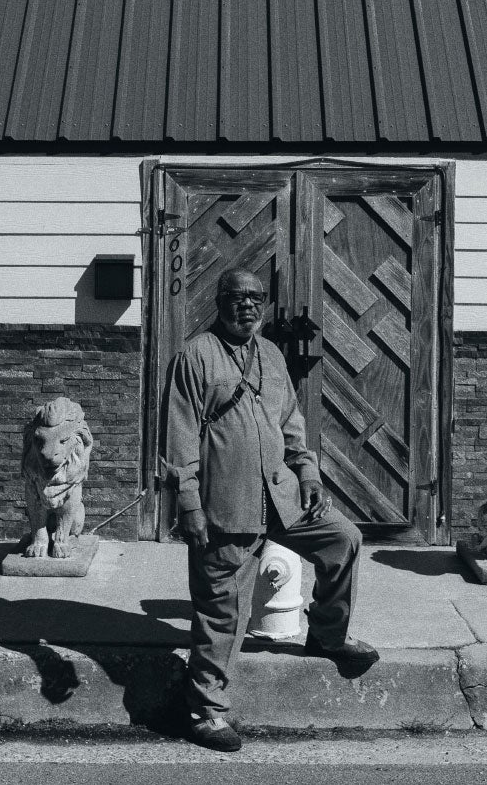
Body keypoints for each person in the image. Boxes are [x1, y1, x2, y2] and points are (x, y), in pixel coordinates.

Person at [163, 267, 378, 752]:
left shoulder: (273, 355)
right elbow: (179, 439)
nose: (247, 306)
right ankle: (206, 712)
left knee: (343, 538)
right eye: (237, 297)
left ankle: (325, 634)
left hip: (282, 495)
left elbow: (291, 422)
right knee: (222, 611)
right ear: (219, 301)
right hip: (226, 504)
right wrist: (190, 505)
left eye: (256, 298)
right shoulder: (195, 357)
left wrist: (307, 473)